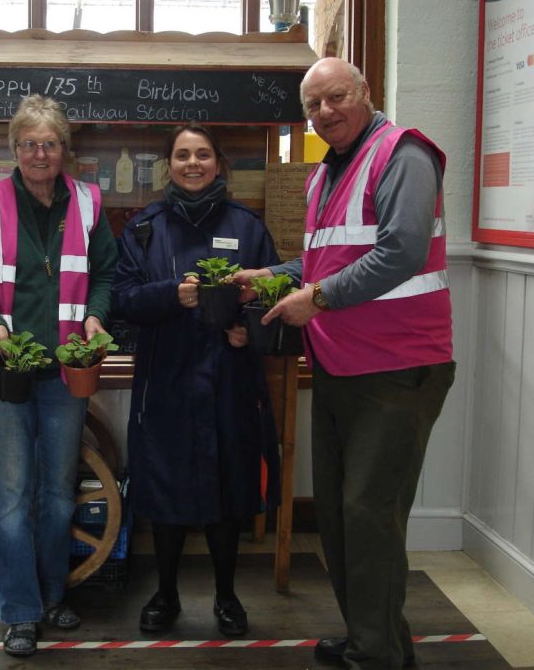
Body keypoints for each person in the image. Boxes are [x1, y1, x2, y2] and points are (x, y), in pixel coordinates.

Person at [235, 57, 455, 669]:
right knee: (336, 516)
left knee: (368, 515)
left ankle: (377, 654)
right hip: (340, 366)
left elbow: (403, 250)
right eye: (313, 104)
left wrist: (320, 299)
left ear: (364, 92)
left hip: (398, 369)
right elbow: (323, 264)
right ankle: (373, 638)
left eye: (336, 97)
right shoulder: (325, 175)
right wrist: (273, 277)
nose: (325, 111)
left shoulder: (402, 155)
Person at [0, 94, 117, 657]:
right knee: (8, 497)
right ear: (14, 150)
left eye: (49, 143)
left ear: (64, 150)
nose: (39, 153)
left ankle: (53, 596)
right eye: (29, 144)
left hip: (66, 370)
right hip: (2, 367)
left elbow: (105, 273)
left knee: (56, 493)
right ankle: (21, 612)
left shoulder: (88, 203)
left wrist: (97, 314)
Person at [112, 122, 281, 637]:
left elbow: (274, 295)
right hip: (165, 383)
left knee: (228, 492)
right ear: (169, 164)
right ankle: (165, 595)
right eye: (182, 155)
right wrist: (171, 294)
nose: (193, 163)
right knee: (165, 493)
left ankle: (227, 598)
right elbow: (122, 299)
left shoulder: (247, 227)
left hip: (230, 383)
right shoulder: (144, 226)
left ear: (218, 163)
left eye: (202, 154)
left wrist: (245, 333)